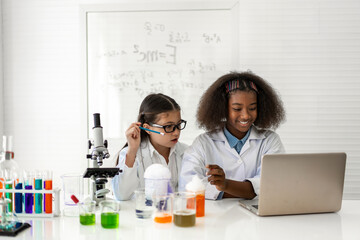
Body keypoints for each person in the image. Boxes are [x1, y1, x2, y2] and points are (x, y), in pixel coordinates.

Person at [179, 71, 286, 200]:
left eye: (252, 108)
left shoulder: (270, 141)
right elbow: (188, 185)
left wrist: (225, 185)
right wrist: (245, 190)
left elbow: (272, 184)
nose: (246, 115)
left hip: (257, 219)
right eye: (237, 109)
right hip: (216, 217)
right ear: (222, 108)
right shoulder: (203, 143)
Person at [112, 93, 188, 200]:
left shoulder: (186, 152)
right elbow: (122, 196)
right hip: (144, 214)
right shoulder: (132, 154)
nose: (176, 133)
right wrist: (132, 150)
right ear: (147, 128)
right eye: (168, 126)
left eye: (179, 124)